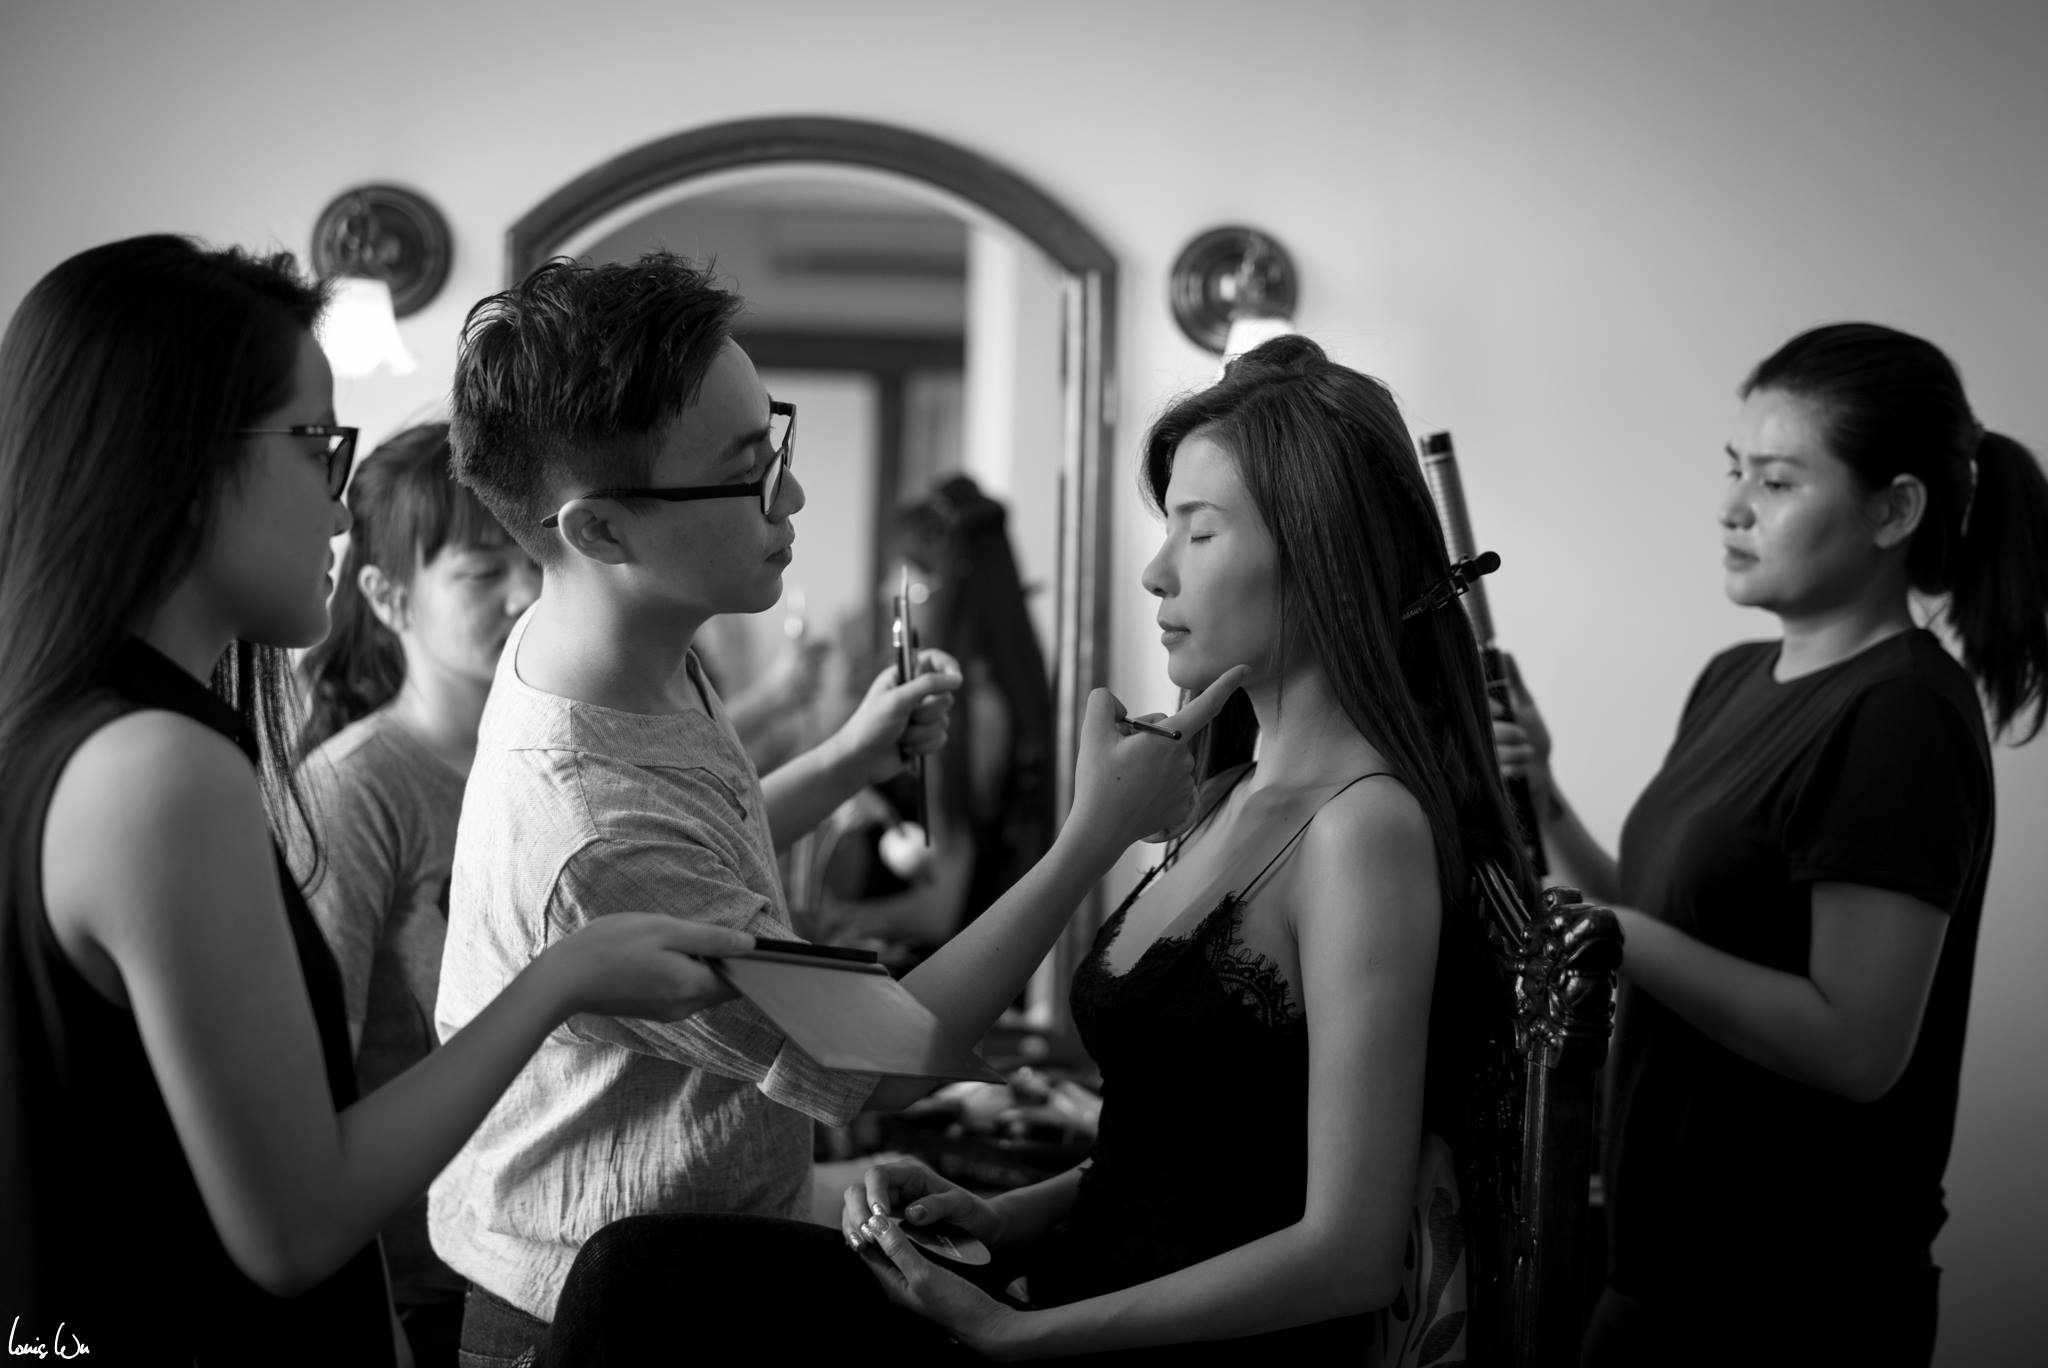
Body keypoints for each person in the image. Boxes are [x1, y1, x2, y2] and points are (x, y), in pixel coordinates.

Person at [426, 251, 1233, 1366]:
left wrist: (848, 762)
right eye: (748, 474)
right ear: (600, 531)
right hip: (599, 1324)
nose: (791, 497)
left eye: (776, 445)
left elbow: (698, 859)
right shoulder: (587, 825)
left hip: (698, 1265)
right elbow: (875, 1059)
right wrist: (1092, 837)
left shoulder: (615, 654)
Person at [0, 236, 749, 1367]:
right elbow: (296, 1229)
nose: (341, 510)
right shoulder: (156, 770)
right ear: (180, 460)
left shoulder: (73, 734)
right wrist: (559, 980)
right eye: (315, 445)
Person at [807, 334, 1534, 1361]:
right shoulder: (1229, 792)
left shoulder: (1361, 832)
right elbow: (1189, 1148)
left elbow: (1350, 1253)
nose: (1155, 573)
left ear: (1321, 556)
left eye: (1198, 532)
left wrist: (1022, 1337)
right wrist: (996, 1215)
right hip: (1069, 1298)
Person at [1491, 323, 2048, 1366]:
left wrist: (1611, 933)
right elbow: (1662, 922)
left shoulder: (1900, 714)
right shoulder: (1732, 679)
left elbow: (1857, 1046)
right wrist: (1543, 791)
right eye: (1734, 468)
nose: (1731, 507)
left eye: (1778, 481)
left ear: (1894, 510)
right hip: (1655, 1262)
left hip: (1789, 1301)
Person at [294, 422, 542, 1367]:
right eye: (483, 573)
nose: (527, 594)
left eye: (534, 561)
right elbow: (318, 1086)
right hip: (420, 1290)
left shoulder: (532, 761)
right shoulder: (357, 789)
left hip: (531, 1262)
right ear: (388, 598)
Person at [810, 474, 1057, 955]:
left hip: (934, 968)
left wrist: (825, 921)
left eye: (904, 578)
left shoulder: (962, 710)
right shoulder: (975, 694)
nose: (888, 591)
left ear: (940, 587)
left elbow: (939, 910)